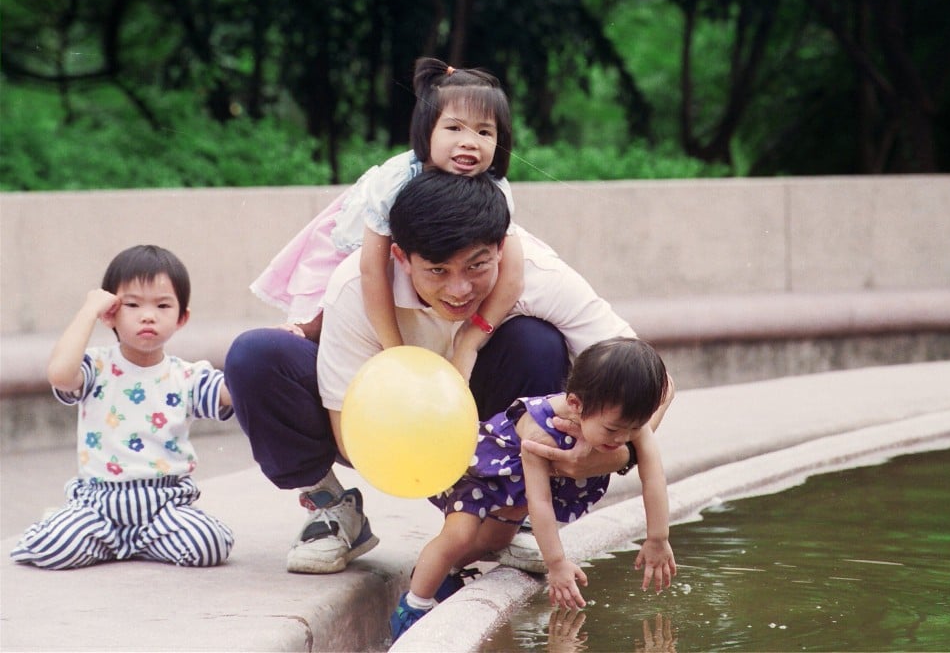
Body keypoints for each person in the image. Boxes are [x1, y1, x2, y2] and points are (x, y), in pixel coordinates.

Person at [225, 171, 659, 576]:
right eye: (437, 270)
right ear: (401, 257)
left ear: (501, 250)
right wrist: (433, 456)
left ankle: (513, 516)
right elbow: (346, 436)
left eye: (476, 266)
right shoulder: (356, 288)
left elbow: (655, 380)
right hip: (386, 431)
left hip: (499, 433)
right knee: (257, 356)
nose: (459, 289)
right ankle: (332, 508)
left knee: (536, 340)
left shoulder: (540, 276)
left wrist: (612, 455)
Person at [250, 56, 522, 381]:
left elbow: (513, 269)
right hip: (355, 242)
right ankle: (307, 327)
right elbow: (371, 269)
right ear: (427, 132)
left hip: (418, 262)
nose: (469, 141)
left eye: (484, 132)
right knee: (333, 291)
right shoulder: (396, 179)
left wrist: (471, 340)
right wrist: (394, 348)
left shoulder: (494, 186)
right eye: (453, 128)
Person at [389, 337, 677, 641]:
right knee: (459, 536)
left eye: (633, 429)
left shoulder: (627, 422)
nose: (624, 439)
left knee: (494, 541)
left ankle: (445, 575)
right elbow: (539, 501)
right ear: (576, 405)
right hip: (483, 472)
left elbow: (654, 477)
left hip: (515, 490)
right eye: (613, 430)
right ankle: (413, 607)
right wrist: (556, 564)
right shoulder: (541, 431)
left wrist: (658, 538)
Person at [11, 245, 235, 570]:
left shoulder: (186, 375)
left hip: (165, 505)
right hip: (98, 504)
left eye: (162, 305)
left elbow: (231, 393)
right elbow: (60, 375)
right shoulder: (96, 367)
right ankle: (83, 531)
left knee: (210, 544)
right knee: (51, 547)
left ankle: (138, 542)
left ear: (182, 317)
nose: (148, 315)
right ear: (110, 313)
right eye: (131, 304)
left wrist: (269, 355)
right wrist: (88, 311)